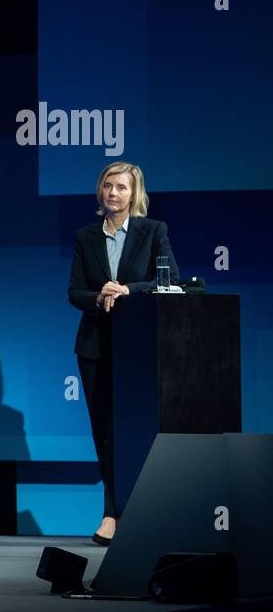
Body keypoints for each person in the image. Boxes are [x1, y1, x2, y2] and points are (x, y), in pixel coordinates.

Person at [67, 161, 178, 546]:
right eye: (107, 187)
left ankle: (139, 511)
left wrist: (128, 290)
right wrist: (100, 295)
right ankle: (111, 512)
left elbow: (170, 279)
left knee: (134, 430)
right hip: (96, 346)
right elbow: (74, 292)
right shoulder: (85, 236)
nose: (113, 194)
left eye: (121, 188)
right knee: (105, 432)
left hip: (140, 349)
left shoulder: (152, 231)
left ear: (135, 194)